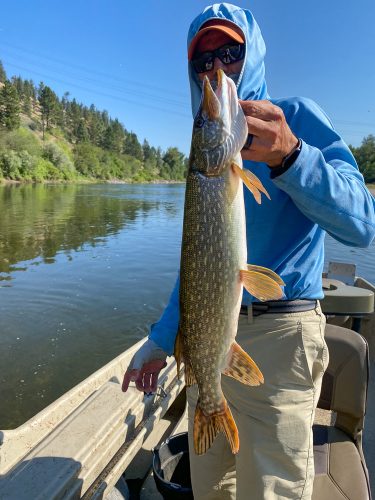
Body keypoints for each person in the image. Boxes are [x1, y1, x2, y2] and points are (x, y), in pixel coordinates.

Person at [122, 3, 375, 499]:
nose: (216, 68)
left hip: (282, 341)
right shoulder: (208, 157)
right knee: (211, 489)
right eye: (203, 61)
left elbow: (362, 224)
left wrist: (292, 155)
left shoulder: (297, 117)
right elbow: (200, 260)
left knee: (272, 491)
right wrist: (160, 339)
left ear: (252, 54)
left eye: (230, 53)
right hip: (209, 343)